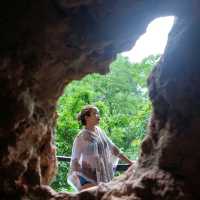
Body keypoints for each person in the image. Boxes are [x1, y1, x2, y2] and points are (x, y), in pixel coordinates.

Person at [67, 105, 132, 191]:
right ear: (87, 117)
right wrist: (80, 183)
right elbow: (75, 162)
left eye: (98, 113)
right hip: (88, 179)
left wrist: (130, 162)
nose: (98, 116)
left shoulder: (99, 131)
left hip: (103, 177)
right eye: (95, 113)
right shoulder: (81, 137)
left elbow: (114, 149)